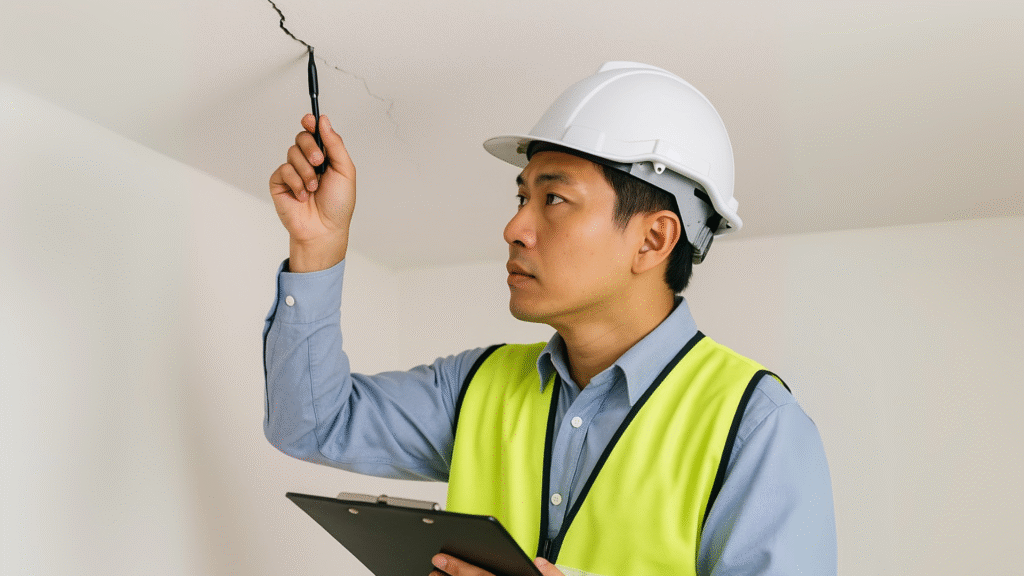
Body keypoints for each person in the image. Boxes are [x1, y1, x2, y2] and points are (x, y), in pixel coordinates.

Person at [264, 62, 837, 576]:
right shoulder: (476, 386)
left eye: (554, 200)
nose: (515, 229)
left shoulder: (757, 426)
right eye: (522, 198)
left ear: (654, 238)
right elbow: (311, 424)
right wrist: (317, 245)